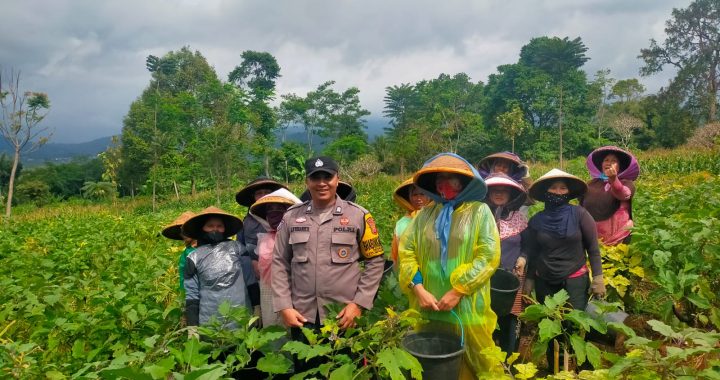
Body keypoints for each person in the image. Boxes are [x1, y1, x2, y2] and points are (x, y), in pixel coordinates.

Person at [272, 156, 385, 372]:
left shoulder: (359, 215)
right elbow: (279, 262)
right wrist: (284, 306)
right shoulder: (291, 217)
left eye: (327, 176)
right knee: (306, 372)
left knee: (343, 370)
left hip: (343, 316)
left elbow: (375, 260)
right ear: (307, 181)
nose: (322, 183)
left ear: (337, 179)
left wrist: (359, 304)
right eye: (315, 177)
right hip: (302, 316)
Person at [398, 153, 502, 378]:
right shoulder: (425, 215)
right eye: (439, 179)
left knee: (477, 359)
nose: (443, 184)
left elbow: (488, 256)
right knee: (434, 364)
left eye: (450, 178)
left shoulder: (479, 212)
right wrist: (418, 288)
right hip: (429, 305)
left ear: (464, 182)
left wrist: (458, 291)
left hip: (467, 305)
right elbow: (406, 252)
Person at [524, 169, 606, 371]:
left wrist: (598, 278)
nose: (558, 192)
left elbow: (593, 249)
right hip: (545, 280)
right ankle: (556, 370)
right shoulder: (536, 221)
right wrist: (529, 280)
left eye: (563, 188)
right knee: (551, 328)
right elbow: (533, 253)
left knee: (576, 326)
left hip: (574, 279)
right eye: (554, 187)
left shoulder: (580, 215)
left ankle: (583, 370)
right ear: (545, 192)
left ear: (569, 193)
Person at [483, 173, 529, 356]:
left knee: (511, 319)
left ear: (511, 195)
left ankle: (510, 362)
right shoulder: (481, 216)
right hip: (486, 277)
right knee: (487, 317)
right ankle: (488, 360)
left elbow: (528, 244)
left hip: (512, 277)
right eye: (495, 190)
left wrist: (523, 258)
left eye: (504, 191)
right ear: (488, 193)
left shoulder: (517, 218)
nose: (499, 194)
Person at [181, 206, 249, 328]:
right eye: (210, 226)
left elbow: (251, 279)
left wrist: (257, 306)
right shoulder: (193, 257)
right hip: (210, 321)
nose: (215, 229)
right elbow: (191, 294)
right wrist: (192, 325)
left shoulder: (237, 248)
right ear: (203, 228)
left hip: (241, 316)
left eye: (219, 226)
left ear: (225, 229)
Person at [249, 188, 302, 327]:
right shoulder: (265, 239)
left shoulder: (299, 236)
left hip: (294, 293)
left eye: (280, 208)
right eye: (270, 209)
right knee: (272, 331)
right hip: (268, 294)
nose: (274, 212)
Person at [235, 177, 287, 316]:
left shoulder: (286, 216)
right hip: (257, 278)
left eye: (267, 192)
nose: (263, 196)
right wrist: (251, 262)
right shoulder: (246, 223)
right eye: (259, 193)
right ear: (253, 197)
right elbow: (241, 250)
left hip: (285, 276)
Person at [580, 146, 639, 246]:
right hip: (593, 236)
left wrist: (613, 179)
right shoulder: (592, 183)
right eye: (606, 160)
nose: (609, 163)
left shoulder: (626, 183)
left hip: (618, 235)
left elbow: (624, 194)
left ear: (620, 166)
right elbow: (580, 199)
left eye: (614, 161)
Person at [390, 177, 431, 266]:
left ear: (429, 195)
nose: (419, 198)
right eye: (415, 195)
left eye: (422, 194)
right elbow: (395, 252)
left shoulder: (436, 217)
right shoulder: (401, 223)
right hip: (409, 273)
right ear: (409, 197)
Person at [161, 211, 196, 291]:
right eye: (181, 230)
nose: (183, 233)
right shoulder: (187, 254)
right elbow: (184, 282)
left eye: (187, 228)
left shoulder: (209, 247)